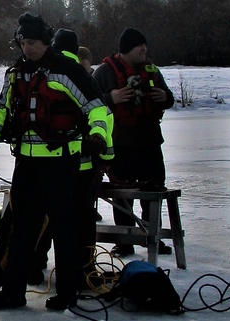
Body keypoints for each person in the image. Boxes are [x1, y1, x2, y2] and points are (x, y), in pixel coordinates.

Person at [0, 13, 111, 311]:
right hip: (27, 163)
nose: (27, 48)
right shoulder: (16, 73)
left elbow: (97, 108)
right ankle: (12, 292)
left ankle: (68, 293)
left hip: (62, 163)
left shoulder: (67, 71)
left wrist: (97, 135)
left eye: (32, 42)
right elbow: (3, 109)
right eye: (23, 42)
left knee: (64, 229)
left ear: (46, 42)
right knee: (21, 229)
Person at [31, 29, 114, 287]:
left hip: (49, 163)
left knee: (45, 219)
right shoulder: (82, 77)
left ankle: (34, 267)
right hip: (84, 166)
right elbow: (104, 118)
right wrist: (107, 156)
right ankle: (82, 269)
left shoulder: (45, 73)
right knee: (81, 220)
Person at [92, 27, 175, 257]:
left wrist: (165, 97)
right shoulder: (105, 72)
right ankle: (124, 240)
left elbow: (170, 98)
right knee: (122, 194)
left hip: (149, 142)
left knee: (154, 190)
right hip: (121, 143)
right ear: (127, 49)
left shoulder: (152, 71)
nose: (145, 51)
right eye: (140, 47)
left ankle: (153, 236)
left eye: (145, 47)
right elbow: (88, 101)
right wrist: (112, 98)